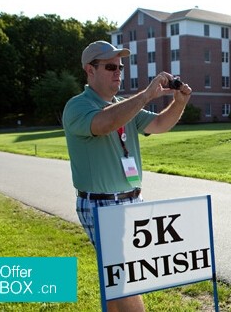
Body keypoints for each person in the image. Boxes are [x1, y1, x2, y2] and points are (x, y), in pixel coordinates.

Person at [62, 40, 191, 312]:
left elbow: (158, 124)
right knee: (125, 278)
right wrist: (146, 95)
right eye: (110, 67)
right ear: (90, 70)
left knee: (117, 280)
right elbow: (104, 123)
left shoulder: (124, 104)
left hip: (132, 200)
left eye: (120, 67)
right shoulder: (78, 106)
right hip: (100, 203)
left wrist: (179, 102)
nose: (118, 72)